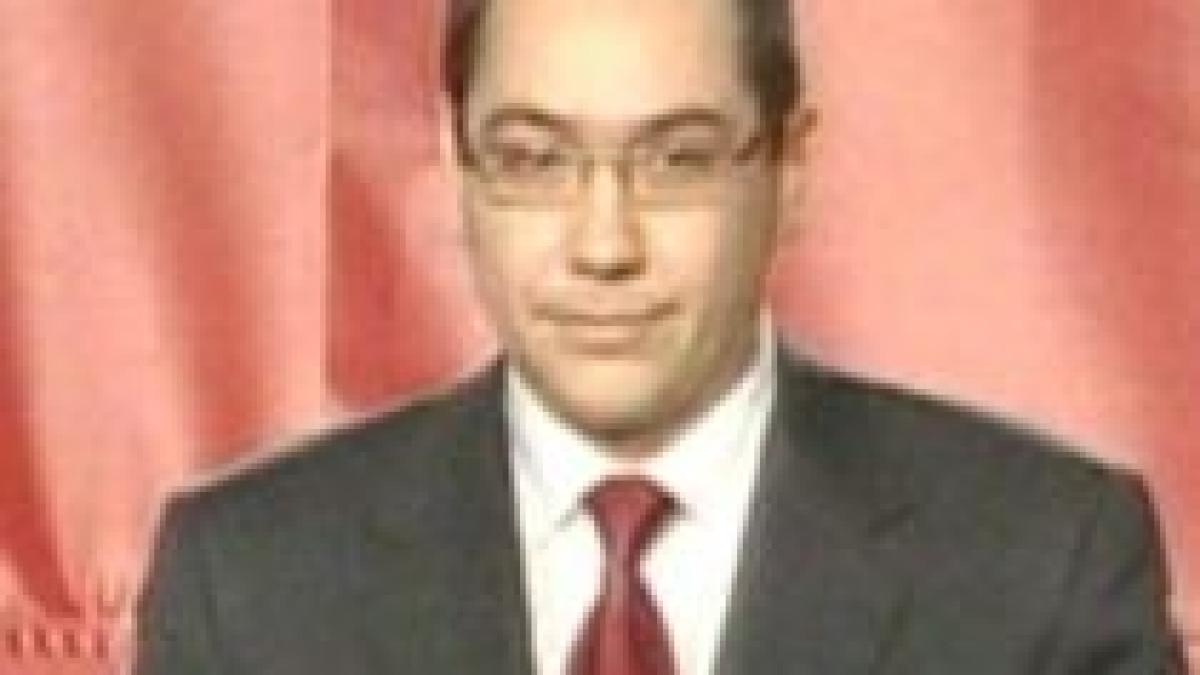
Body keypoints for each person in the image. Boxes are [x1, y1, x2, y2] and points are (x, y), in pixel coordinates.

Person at [135, 0, 1185, 673]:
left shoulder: (1042, 569)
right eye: (535, 159)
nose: (604, 243)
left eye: (677, 161)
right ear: (457, 168)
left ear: (789, 166)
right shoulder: (250, 588)